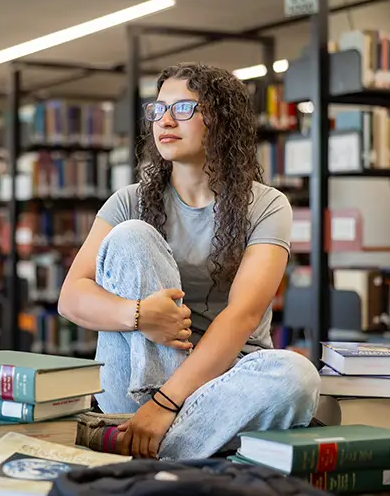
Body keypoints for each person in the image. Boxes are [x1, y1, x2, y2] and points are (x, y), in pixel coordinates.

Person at [58, 62, 320, 461]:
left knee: (297, 377)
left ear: (220, 120)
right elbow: (71, 298)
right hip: (132, 376)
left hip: (221, 380)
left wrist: (165, 405)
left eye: (183, 109)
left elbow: (242, 317)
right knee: (132, 235)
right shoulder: (129, 202)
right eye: (158, 109)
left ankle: (141, 445)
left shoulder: (266, 205)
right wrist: (139, 314)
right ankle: (176, 440)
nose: (165, 120)